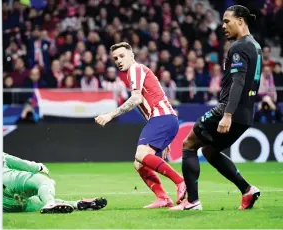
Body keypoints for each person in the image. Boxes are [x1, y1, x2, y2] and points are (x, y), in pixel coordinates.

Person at [170, 5, 261, 211]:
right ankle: (247, 190)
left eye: (227, 21)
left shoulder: (238, 47)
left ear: (240, 21)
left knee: (189, 144)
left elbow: (238, 82)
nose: (223, 26)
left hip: (230, 110)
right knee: (210, 151)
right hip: (246, 114)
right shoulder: (255, 46)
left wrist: (227, 114)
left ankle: (192, 202)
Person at [94, 42, 186, 209]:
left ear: (132, 56)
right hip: (164, 119)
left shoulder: (135, 69)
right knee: (139, 164)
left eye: (122, 56)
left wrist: (110, 114)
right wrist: (165, 139)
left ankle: (180, 181)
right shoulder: (136, 73)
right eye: (115, 58)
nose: (119, 60)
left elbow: (136, 99)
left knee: (141, 155)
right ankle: (163, 198)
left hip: (162, 117)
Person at [0, 140, 107, 213]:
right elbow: (18, 162)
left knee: (35, 201)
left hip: (4, 205)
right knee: (43, 181)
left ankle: (76, 204)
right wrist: (38, 166)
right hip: (7, 180)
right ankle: (50, 203)